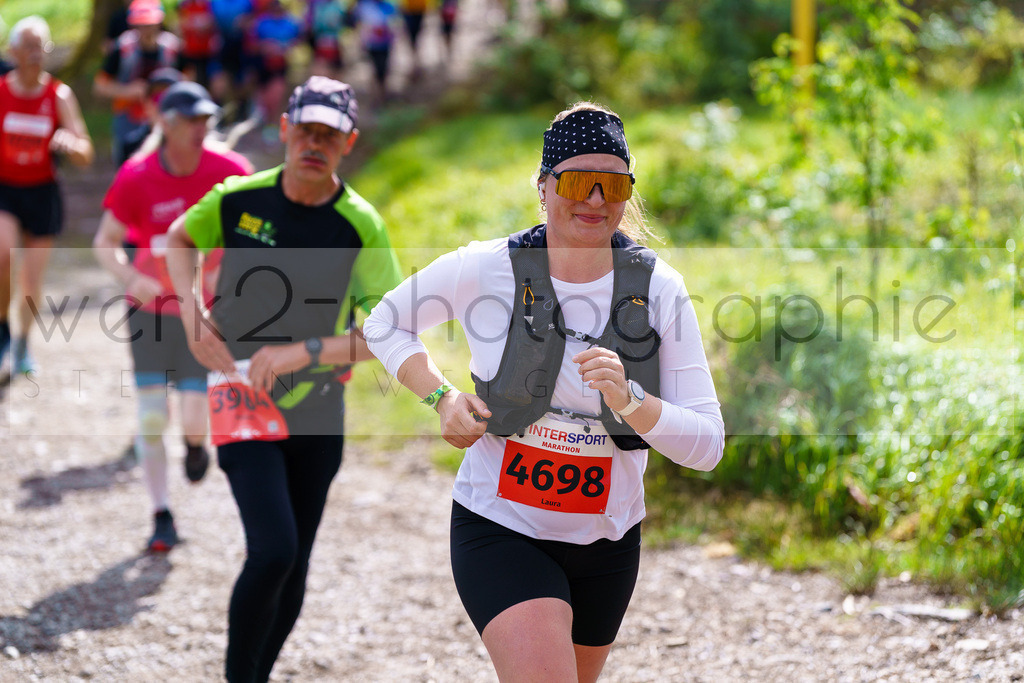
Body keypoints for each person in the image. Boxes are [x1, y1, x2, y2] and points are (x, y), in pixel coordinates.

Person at [363, 102, 725, 682]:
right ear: (544, 186)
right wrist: (442, 398)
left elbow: (708, 446)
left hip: (608, 541)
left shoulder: (658, 287)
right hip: (501, 526)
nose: (596, 200)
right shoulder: (486, 267)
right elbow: (383, 321)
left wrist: (635, 403)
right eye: (579, 182)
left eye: (613, 185)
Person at [165, 75, 401, 682]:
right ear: (285, 132)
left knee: (295, 563)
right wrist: (193, 319)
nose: (315, 144)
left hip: (319, 405)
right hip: (238, 391)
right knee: (272, 550)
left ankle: (257, 675)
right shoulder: (239, 199)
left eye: (331, 135)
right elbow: (179, 240)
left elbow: (388, 331)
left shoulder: (361, 225)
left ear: (348, 144)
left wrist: (306, 351)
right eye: (306, 131)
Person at [93, 80, 253, 551]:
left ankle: (197, 446)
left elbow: (263, 228)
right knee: (149, 418)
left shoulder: (229, 170)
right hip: (149, 311)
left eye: (207, 119)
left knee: (192, 413)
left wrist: (226, 280)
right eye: (192, 120)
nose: (202, 128)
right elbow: (105, 241)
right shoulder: (137, 176)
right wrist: (128, 277)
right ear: (166, 123)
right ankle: (161, 513)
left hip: (203, 314)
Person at [0, 16, 94, 378]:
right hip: (5, 190)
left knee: (32, 280)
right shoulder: (3, 92)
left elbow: (85, 153)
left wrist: (72, 145)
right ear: (13, 52)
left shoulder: (59, 95)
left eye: (42, 47)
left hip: (42, 192)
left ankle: (23, 342)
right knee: (3, 255)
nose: (36, 54)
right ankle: (2, 333)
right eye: (29, 46)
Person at [94, 0, 182, 165]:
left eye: (150, 24)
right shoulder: (122, 49)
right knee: (128, 164)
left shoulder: (172, 48)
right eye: (141, 25)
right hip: (129, 119)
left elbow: (187, 78)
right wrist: (129, 91)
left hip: (165, 118)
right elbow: (100, 86)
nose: (146, 30)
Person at [348, 0, 397, 104]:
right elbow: (358, 23)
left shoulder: (388, 6)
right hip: (371, 44)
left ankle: (383, 93)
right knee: (373, 69)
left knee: (384, 69)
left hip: (385, 43)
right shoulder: (364, 6)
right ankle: (376, 96)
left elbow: (395, 23)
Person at [304, 0, 348, 80]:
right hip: (321, 43)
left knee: (334, 72)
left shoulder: (338, 6)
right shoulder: (318, 6)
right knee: (321, 70)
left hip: (333, 43)